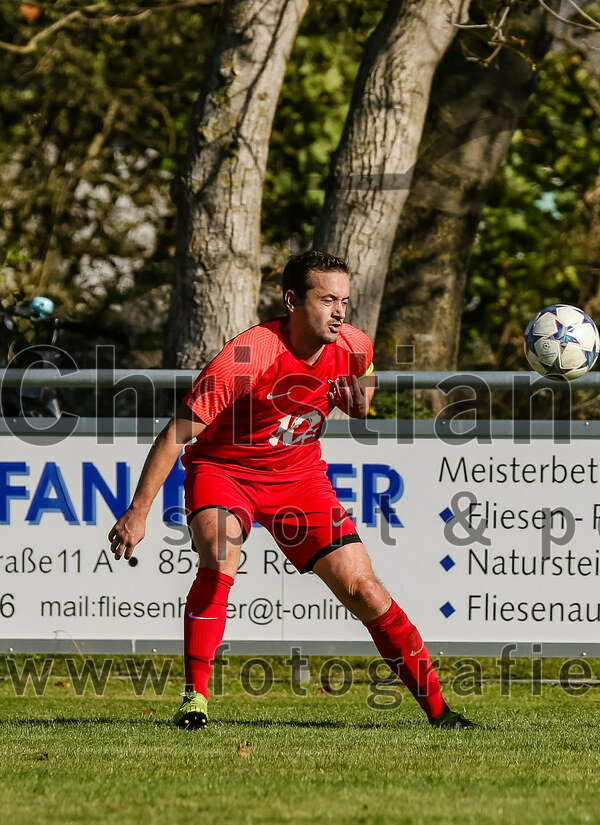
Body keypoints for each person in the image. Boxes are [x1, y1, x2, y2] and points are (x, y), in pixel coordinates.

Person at [108, 250, 474, 730]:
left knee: (365, 590)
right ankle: (195, 698)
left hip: (299, 479)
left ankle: (442, 714)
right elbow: (177, 433)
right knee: (220, 552)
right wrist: (138, 510)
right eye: (327, 300)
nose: (339, 312)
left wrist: (360, 403)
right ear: (292, 301)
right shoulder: (248, 355)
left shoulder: (354, 343)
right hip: (225, 471)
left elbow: (366, 379)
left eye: (344, 301)